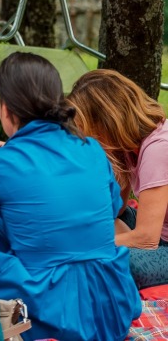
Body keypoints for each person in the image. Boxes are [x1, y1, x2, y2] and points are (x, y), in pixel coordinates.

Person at [0, 52, 141, 341]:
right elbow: (111, 206)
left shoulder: (1, 164)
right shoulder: (91, 149)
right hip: (111, 308)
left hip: (50, 312)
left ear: (5, 110)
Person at [70, 68, 168, 289]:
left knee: (123, 265)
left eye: (86, 128)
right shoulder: (129, 147)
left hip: (155, 240)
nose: (85, 136)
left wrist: (84, 244)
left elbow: (146, 239)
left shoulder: (158, 148)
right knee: (92, 222)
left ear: (107, 120)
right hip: (158, 234)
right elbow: (117, 210)